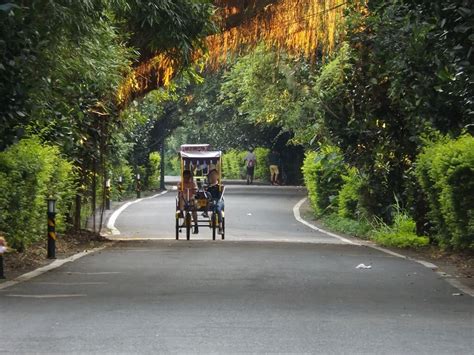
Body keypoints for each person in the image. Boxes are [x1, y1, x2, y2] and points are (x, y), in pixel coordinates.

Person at [206, 169, 225, 234]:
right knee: (209, 204)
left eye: (214, 175)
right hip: (211, 200)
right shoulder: (208, 186)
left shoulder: (220, 186)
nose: (213, 177)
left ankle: (220, 227)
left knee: (218, 209)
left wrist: (221, 189)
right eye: (211, 175)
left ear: (217, 176)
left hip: (219, 200)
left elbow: (220, 195)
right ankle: (208, 215)